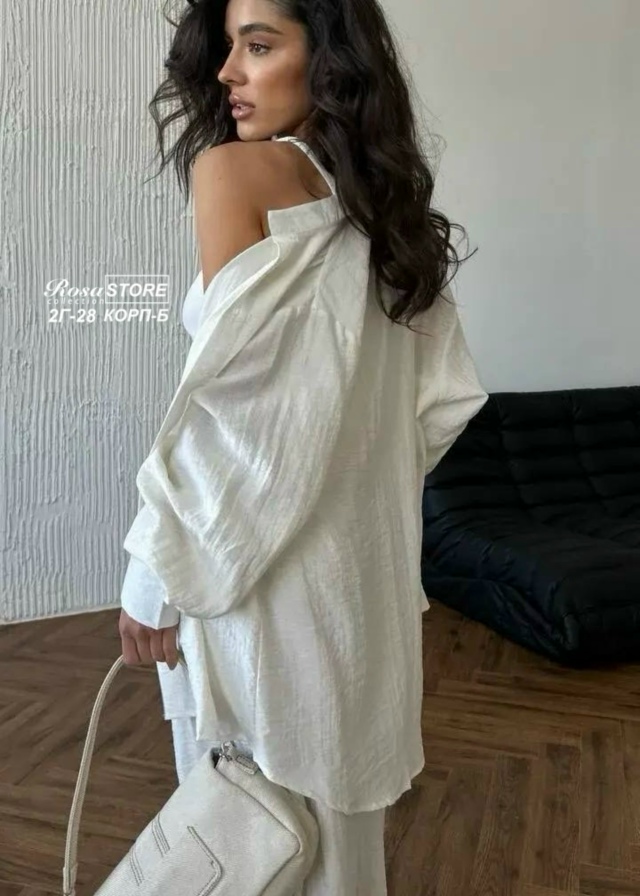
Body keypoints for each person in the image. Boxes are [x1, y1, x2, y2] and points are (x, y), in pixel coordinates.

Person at [118, 0, 489, 891]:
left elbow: (234, 419)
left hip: (255, 587)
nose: (226, 73)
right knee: (335, 840)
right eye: (228, 47)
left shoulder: (234, 172)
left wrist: (154, 575)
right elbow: (438, 405)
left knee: (240, 835)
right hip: (358, 585)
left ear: (327, 57)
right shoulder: (388, 211)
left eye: (259, 45)